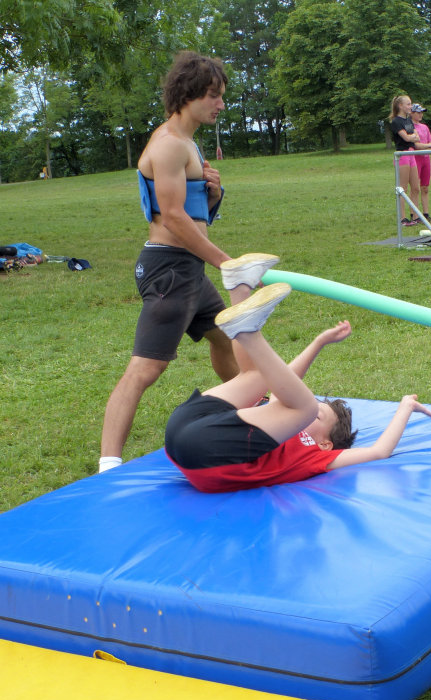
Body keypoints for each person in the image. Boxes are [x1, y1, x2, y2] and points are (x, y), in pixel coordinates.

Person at [99, 52, 278, 473]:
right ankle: (108, 464)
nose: (220, 104)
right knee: (146, 368)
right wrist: (227, 263)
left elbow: (194, 214)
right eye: (213, 96)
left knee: (224, 337)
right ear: (188, 95)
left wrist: (213, 194)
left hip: (188, 268)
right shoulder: (168, 145)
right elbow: (172, 218)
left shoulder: (188, 143)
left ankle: (253, 409)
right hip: (170, 269)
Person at [165, 283, 431, 493]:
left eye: (319, 417)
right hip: (187, 427)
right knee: (258, 377)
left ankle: (248, 330)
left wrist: (405, 406)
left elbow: (379, 452)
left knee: (300, 406)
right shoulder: (276, 422)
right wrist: (318, 343)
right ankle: (240, 289)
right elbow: (282, 385)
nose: (307, 412)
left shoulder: (316, 455)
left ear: (325, 443)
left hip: (202, 453)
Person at [389, 95, 431, 226]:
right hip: (402, 155)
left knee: (416, 188)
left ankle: (415, 215)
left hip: (411, 154)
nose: (410, 106)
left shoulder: (408, 120)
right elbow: (407, 138)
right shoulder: (396, 122)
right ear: (400, 106)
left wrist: (412, 136)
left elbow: (416, 137)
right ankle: (403, 218)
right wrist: (411, 137)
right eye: (408, 104)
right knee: (403, 188)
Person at [410, 103, 431, 222]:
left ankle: (426, 213)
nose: (420, 115)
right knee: (415, 187)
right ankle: (413, 213)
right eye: (418, 112)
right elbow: (416, 145)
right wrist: (427, 146)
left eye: (421, 112)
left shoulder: (425, 127)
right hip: (416, 158)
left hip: (426, 158)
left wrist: (426, 146)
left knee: (425, 187)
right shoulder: (409, 126)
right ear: (412, 113)